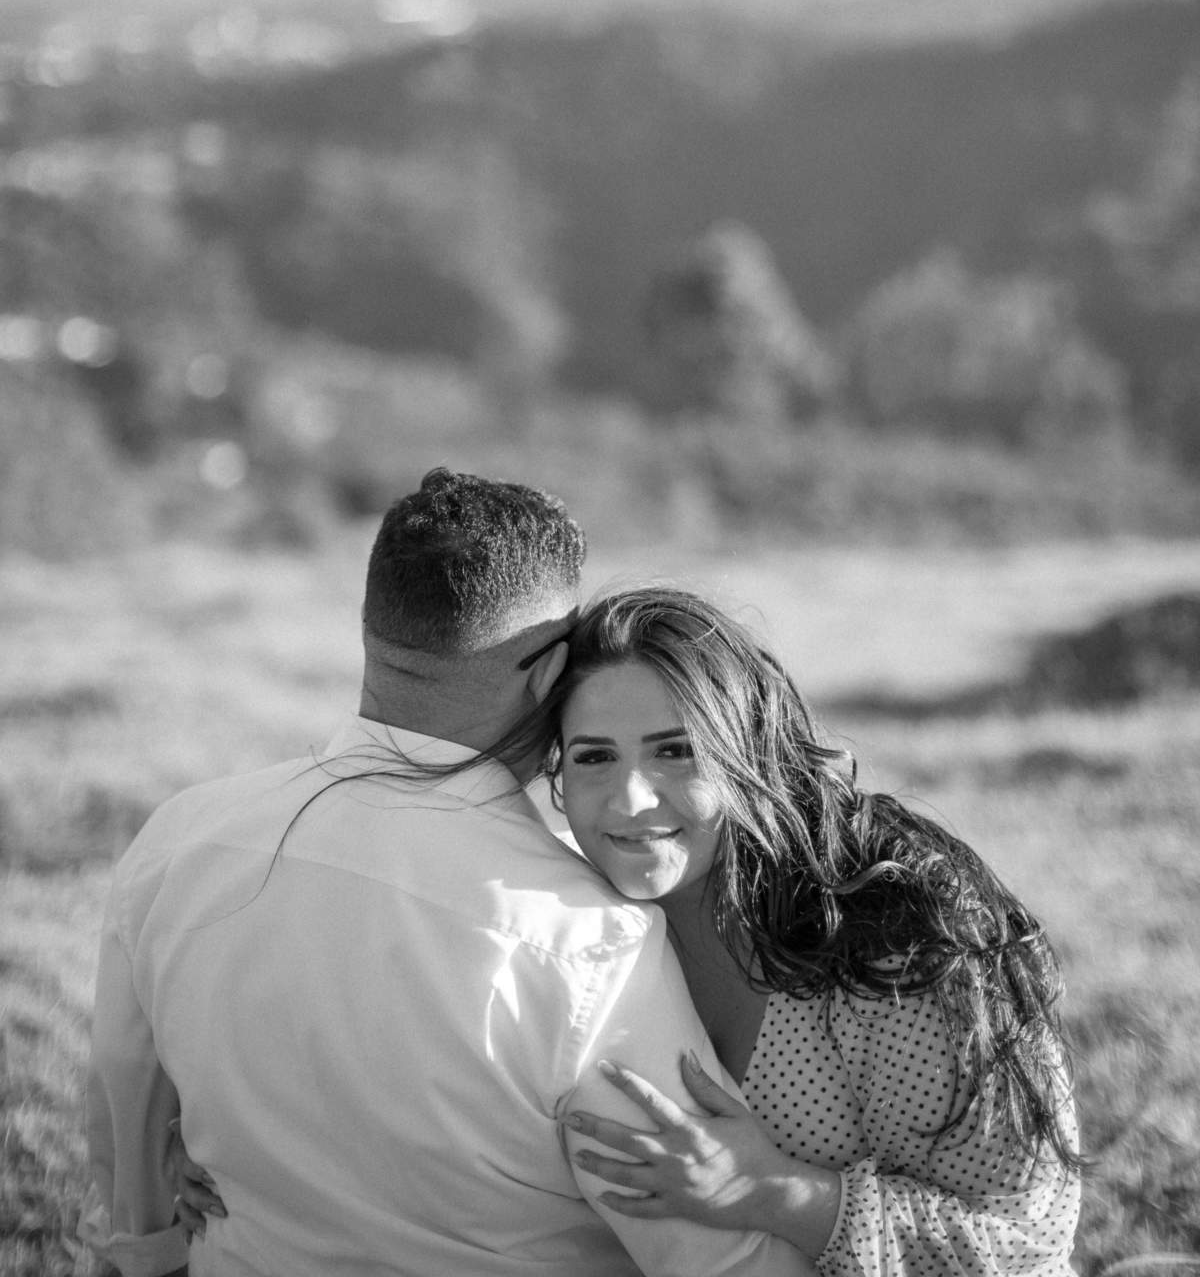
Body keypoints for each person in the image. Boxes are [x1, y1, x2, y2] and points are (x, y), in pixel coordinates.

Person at [82, 473, 814, 1277]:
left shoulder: (179, 841)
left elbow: (133, 1175)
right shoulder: (586, 936)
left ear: (377, 634)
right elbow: (725, 1264)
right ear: (548, 678)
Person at [534, 585, 1083, 1277]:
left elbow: (1026, 1240)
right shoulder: (586, 923)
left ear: (746, 751)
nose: (630, 798)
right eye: (593, 757)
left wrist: (775, 1194)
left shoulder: (892, 928)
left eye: (674, 751)